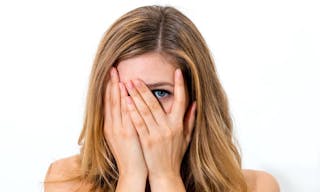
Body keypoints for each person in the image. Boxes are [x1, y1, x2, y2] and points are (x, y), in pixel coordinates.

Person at [44, 5, 280, 192]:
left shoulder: (257, 187)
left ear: (194, 102)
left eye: (160, 93)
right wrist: (131, 176)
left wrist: (165, 177)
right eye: (126, 93)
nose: (141, 111)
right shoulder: (65, 181)